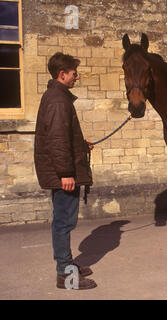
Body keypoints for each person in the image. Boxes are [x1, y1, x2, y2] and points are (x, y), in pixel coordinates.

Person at [34, 52, 97, 289]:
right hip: (63, 174)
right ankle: (64, 273)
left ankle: (67, 263)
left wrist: (82, 145)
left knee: (64, 220)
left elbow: (62, 136)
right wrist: (65, 173)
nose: (76, 77)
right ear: (62, 74)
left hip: (63, 169)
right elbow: (57, 139)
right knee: (63, 222)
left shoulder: (56, 97)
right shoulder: (58, 100)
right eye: (73, 73)